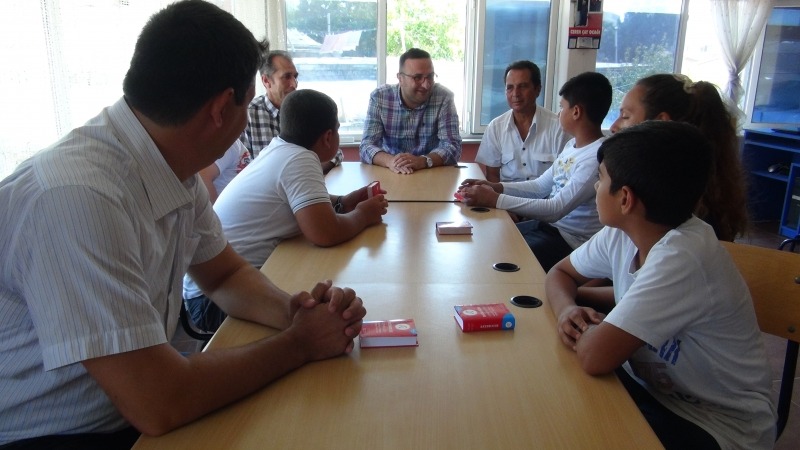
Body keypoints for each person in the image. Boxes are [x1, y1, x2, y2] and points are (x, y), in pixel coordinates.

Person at [0, 2, 365, 448]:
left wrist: (297, 314)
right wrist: (300, 344)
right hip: (52, 432)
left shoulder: (171, 163)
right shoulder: (77, 198)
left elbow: (224, 274)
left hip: (129, 408)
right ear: (220, 109)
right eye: (247, 103)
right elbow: (159, 400)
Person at [546, 121, 776, 450]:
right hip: (653, 393)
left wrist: (589, 324)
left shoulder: (683, 255)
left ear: (625, 198)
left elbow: (594, 356)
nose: (596, 187)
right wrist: (568, 308)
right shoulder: (623, 232)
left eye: (601, 178)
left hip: (717, 425)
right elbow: (560, 274)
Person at [184, 89, 389, 332]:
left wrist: (343, 203)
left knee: (322, 279)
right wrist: (364, 215)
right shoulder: (300, 159)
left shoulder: (280, 148)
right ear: (328, 137)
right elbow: (325, 234)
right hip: (215, 297)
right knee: (333, 296)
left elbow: (300, 202)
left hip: (216, 284)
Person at [459, 72, 612, 272]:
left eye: (562, 107)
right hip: (549, 228)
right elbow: (540, 186)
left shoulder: (595, 157)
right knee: (488, 238)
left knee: (498, 254)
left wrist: (494, 199)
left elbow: (555, 209)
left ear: (576, 112)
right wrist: (496, 187)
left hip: (571, 241)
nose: (558, 113)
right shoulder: (573, 146)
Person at [609, 73, 748, 242]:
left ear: (660, 122)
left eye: (625, 116)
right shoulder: (648, 184)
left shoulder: (672, 206)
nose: (614, 127)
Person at [359, 48, 462, 174]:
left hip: (430, 172)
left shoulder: (444, 97)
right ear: (400, 79)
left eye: (430, 76)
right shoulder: (380, 97)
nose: (426, 85)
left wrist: (422, 161)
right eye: (418, 77)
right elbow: (366, 146)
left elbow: (453, 147)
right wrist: (390, 161)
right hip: (391, 171)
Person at [239, 49, 343, 173]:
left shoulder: (305, 110)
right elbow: (240, 167)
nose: (294, 84)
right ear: (266, 81)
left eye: (295, 76)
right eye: (286, 77)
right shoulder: (247, 115)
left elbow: (335, 153)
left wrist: (309, 171)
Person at [475, 60, 569, 183]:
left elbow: (563, 177)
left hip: (547, 195)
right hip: (506, 194)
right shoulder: (495, 127)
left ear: (537, 90)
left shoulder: (558, 127)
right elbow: (492, 176)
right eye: (510, 88)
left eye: (523, 86)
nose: (515, 94)